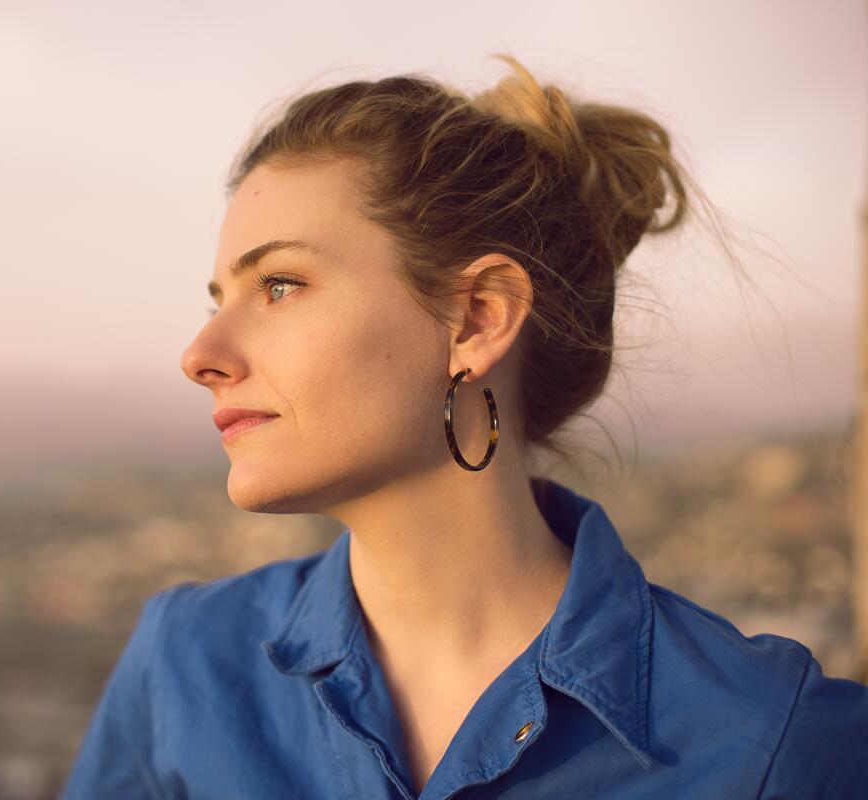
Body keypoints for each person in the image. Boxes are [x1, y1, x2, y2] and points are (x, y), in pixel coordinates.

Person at [61, 55, 868, 799]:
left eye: (277, 285)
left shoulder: (778, 745)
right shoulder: (184, 668)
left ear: (478, 319)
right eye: (217, 300)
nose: (200, 354)